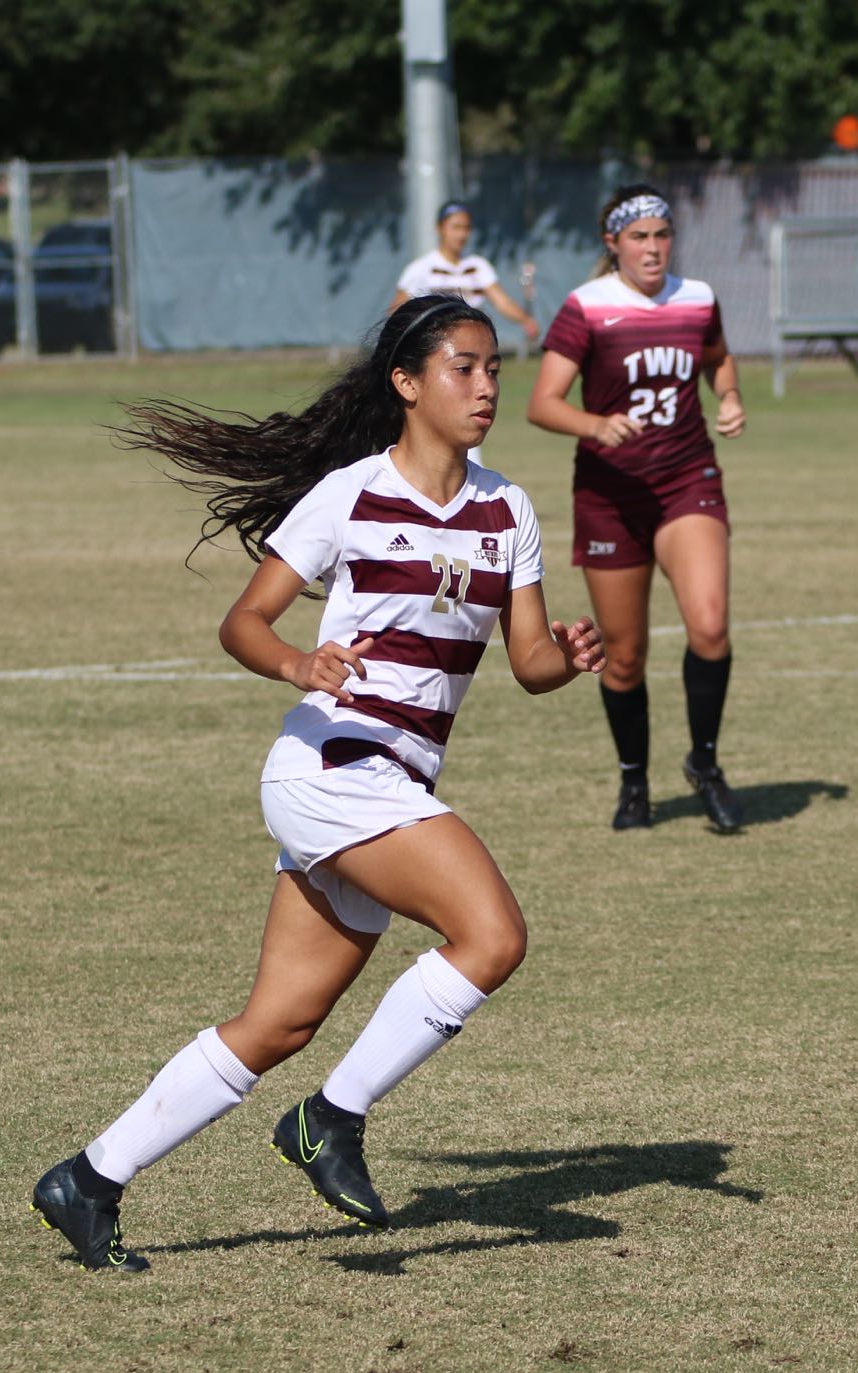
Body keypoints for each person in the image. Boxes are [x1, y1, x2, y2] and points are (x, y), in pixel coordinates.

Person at [31, 294, 604, 1271]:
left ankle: (88, 1179)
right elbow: (243, 623)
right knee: (493, 934)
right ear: (407, 383)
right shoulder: (349, 493)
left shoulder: (506, 509)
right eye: (461, 368)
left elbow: (530, 661)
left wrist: (569, 652)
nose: (484, 387)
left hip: (384, 784)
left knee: (280, 1022)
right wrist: (301, 664)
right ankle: (331, 1121)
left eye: (493, 369)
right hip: (335, 769)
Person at [527, 183, 748, 833]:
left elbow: (719, 360)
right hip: (610, 496)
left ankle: (704, 765)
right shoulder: (587, 307)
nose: (652, 248)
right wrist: (594, 426)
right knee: (622, 657)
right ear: (613, 244)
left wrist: (728, 395)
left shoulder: (698, 298)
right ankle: (634, 784)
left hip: (686, 481)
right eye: (639, 237)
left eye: (661, 235)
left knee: (709, 627)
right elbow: (543, 403)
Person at [392, 201, 540, 349]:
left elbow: (502, 302)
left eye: (466, 228)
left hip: (471, 342)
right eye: (455, 227)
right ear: (439, 228)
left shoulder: (478, 266)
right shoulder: (420, 268)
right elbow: (396, 311)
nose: (461, 234)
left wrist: (525, 320)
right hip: (435, 345)